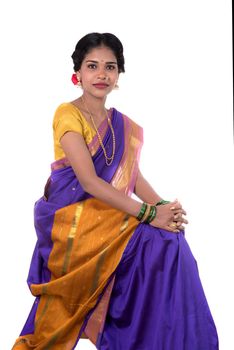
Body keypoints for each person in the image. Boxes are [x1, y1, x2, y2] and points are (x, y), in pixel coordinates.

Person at [12, 32, 219, 350]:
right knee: (155, 239)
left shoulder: (121, 124)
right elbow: (89, 182)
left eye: (110, 67)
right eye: (92, 66)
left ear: (118, 75)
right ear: (77, 73)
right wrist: (151, 214)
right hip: (73, 220)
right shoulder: (67, 114)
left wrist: (164, 207)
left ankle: (161, 340)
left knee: (172, 241)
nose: (101, 74)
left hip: (107, 215)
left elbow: (132, 177)